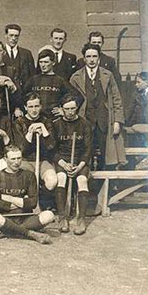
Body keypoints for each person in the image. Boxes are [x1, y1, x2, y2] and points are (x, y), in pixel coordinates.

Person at [70, 43, 125, 169]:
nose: (91, 59)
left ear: (99, 58)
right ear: (84, 58)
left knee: (106, 155)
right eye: (88, 56)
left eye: (94, 56)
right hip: (85, 120)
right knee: (85, 152)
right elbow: (70, 101)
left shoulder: (108, 75)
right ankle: (86, 184)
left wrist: (117, 121)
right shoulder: (76, 77)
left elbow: (117, 100)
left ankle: (106, 186)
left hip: (104, 121)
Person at [0, 145, 54, 244]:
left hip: (26, 218)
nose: (16, 162)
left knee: (49, 215)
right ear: (5, 159)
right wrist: (22, 201)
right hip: (6, 218)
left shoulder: (29, 175)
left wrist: (8, 198)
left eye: (19, 158)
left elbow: (33, 203)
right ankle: (31, 234)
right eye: (13, 159)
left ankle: (7, 232)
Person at [52, 94, 93, 235]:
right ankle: (63, 217)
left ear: (77, 108)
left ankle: (81, 219)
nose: (70, 112)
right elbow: (52, 149)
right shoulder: (56, 124)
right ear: (61, 109)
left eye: (73, 108)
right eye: (66, 109)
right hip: (62, 160)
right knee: (61, 179)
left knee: (82, 181)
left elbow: (88, 150)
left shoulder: (85, 124)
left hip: (80, 161)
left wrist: (79, 167)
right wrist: (64, 164)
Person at [12, 93, 58, 192]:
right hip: (25, 160)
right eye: (30, 106)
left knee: (52, 181)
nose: (34, 110)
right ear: (25, 107)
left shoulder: (47, 122)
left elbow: (51, 146)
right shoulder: (18, 123)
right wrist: (30, 133)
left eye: (36, 106)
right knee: (25, 183)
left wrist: (43, 128)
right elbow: (21, 149)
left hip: (43, 160)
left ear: (41, 106)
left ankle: (41, 198)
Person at [24, 49, 83, 119]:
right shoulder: (33, 80)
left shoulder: (60, 80)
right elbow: (22, 96)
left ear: (53, 62)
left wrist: (63, 110)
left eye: (46, 62)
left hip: (54, 120)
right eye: (41, 62)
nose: (43, 65)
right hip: (36, 119)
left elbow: (79, 97)